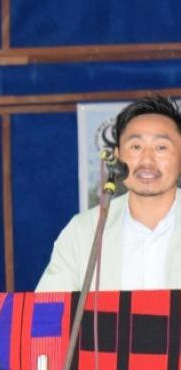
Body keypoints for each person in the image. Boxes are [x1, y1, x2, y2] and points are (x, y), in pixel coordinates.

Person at [39, 95, 181, 290]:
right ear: (117, 156)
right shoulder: (84, 231)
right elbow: (48, 312)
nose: (147, 160)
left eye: (161, 147)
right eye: (136, 147)